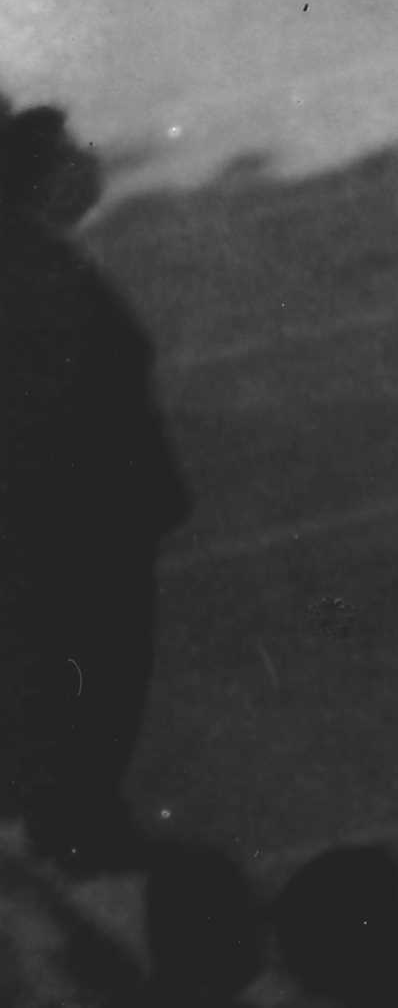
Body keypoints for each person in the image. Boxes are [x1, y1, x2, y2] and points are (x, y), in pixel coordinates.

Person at [0, 101, 183, 874]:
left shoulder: (38, 259)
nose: (87, 158)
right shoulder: (41, 280)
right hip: (82, 533)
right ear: (39, 180)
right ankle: (77, 831)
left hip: (69, 527)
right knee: (96, 686)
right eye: (68, 149)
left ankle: (68, 817)